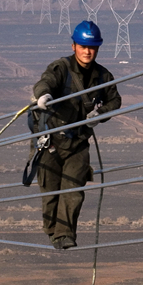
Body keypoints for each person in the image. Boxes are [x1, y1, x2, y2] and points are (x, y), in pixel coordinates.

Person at [32, 20, 122, 249]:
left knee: (73, 190)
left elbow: (115, 100)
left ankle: (64, 236)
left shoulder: (103, 76)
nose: (87, 51)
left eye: (92, 47)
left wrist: (100, 113)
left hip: (78, 142)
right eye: (83, 46)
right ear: (74, 46)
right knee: (51, 191)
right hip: (51, 140)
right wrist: (43, 96)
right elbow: (46, 82)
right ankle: (52, 230)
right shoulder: (61, 68)